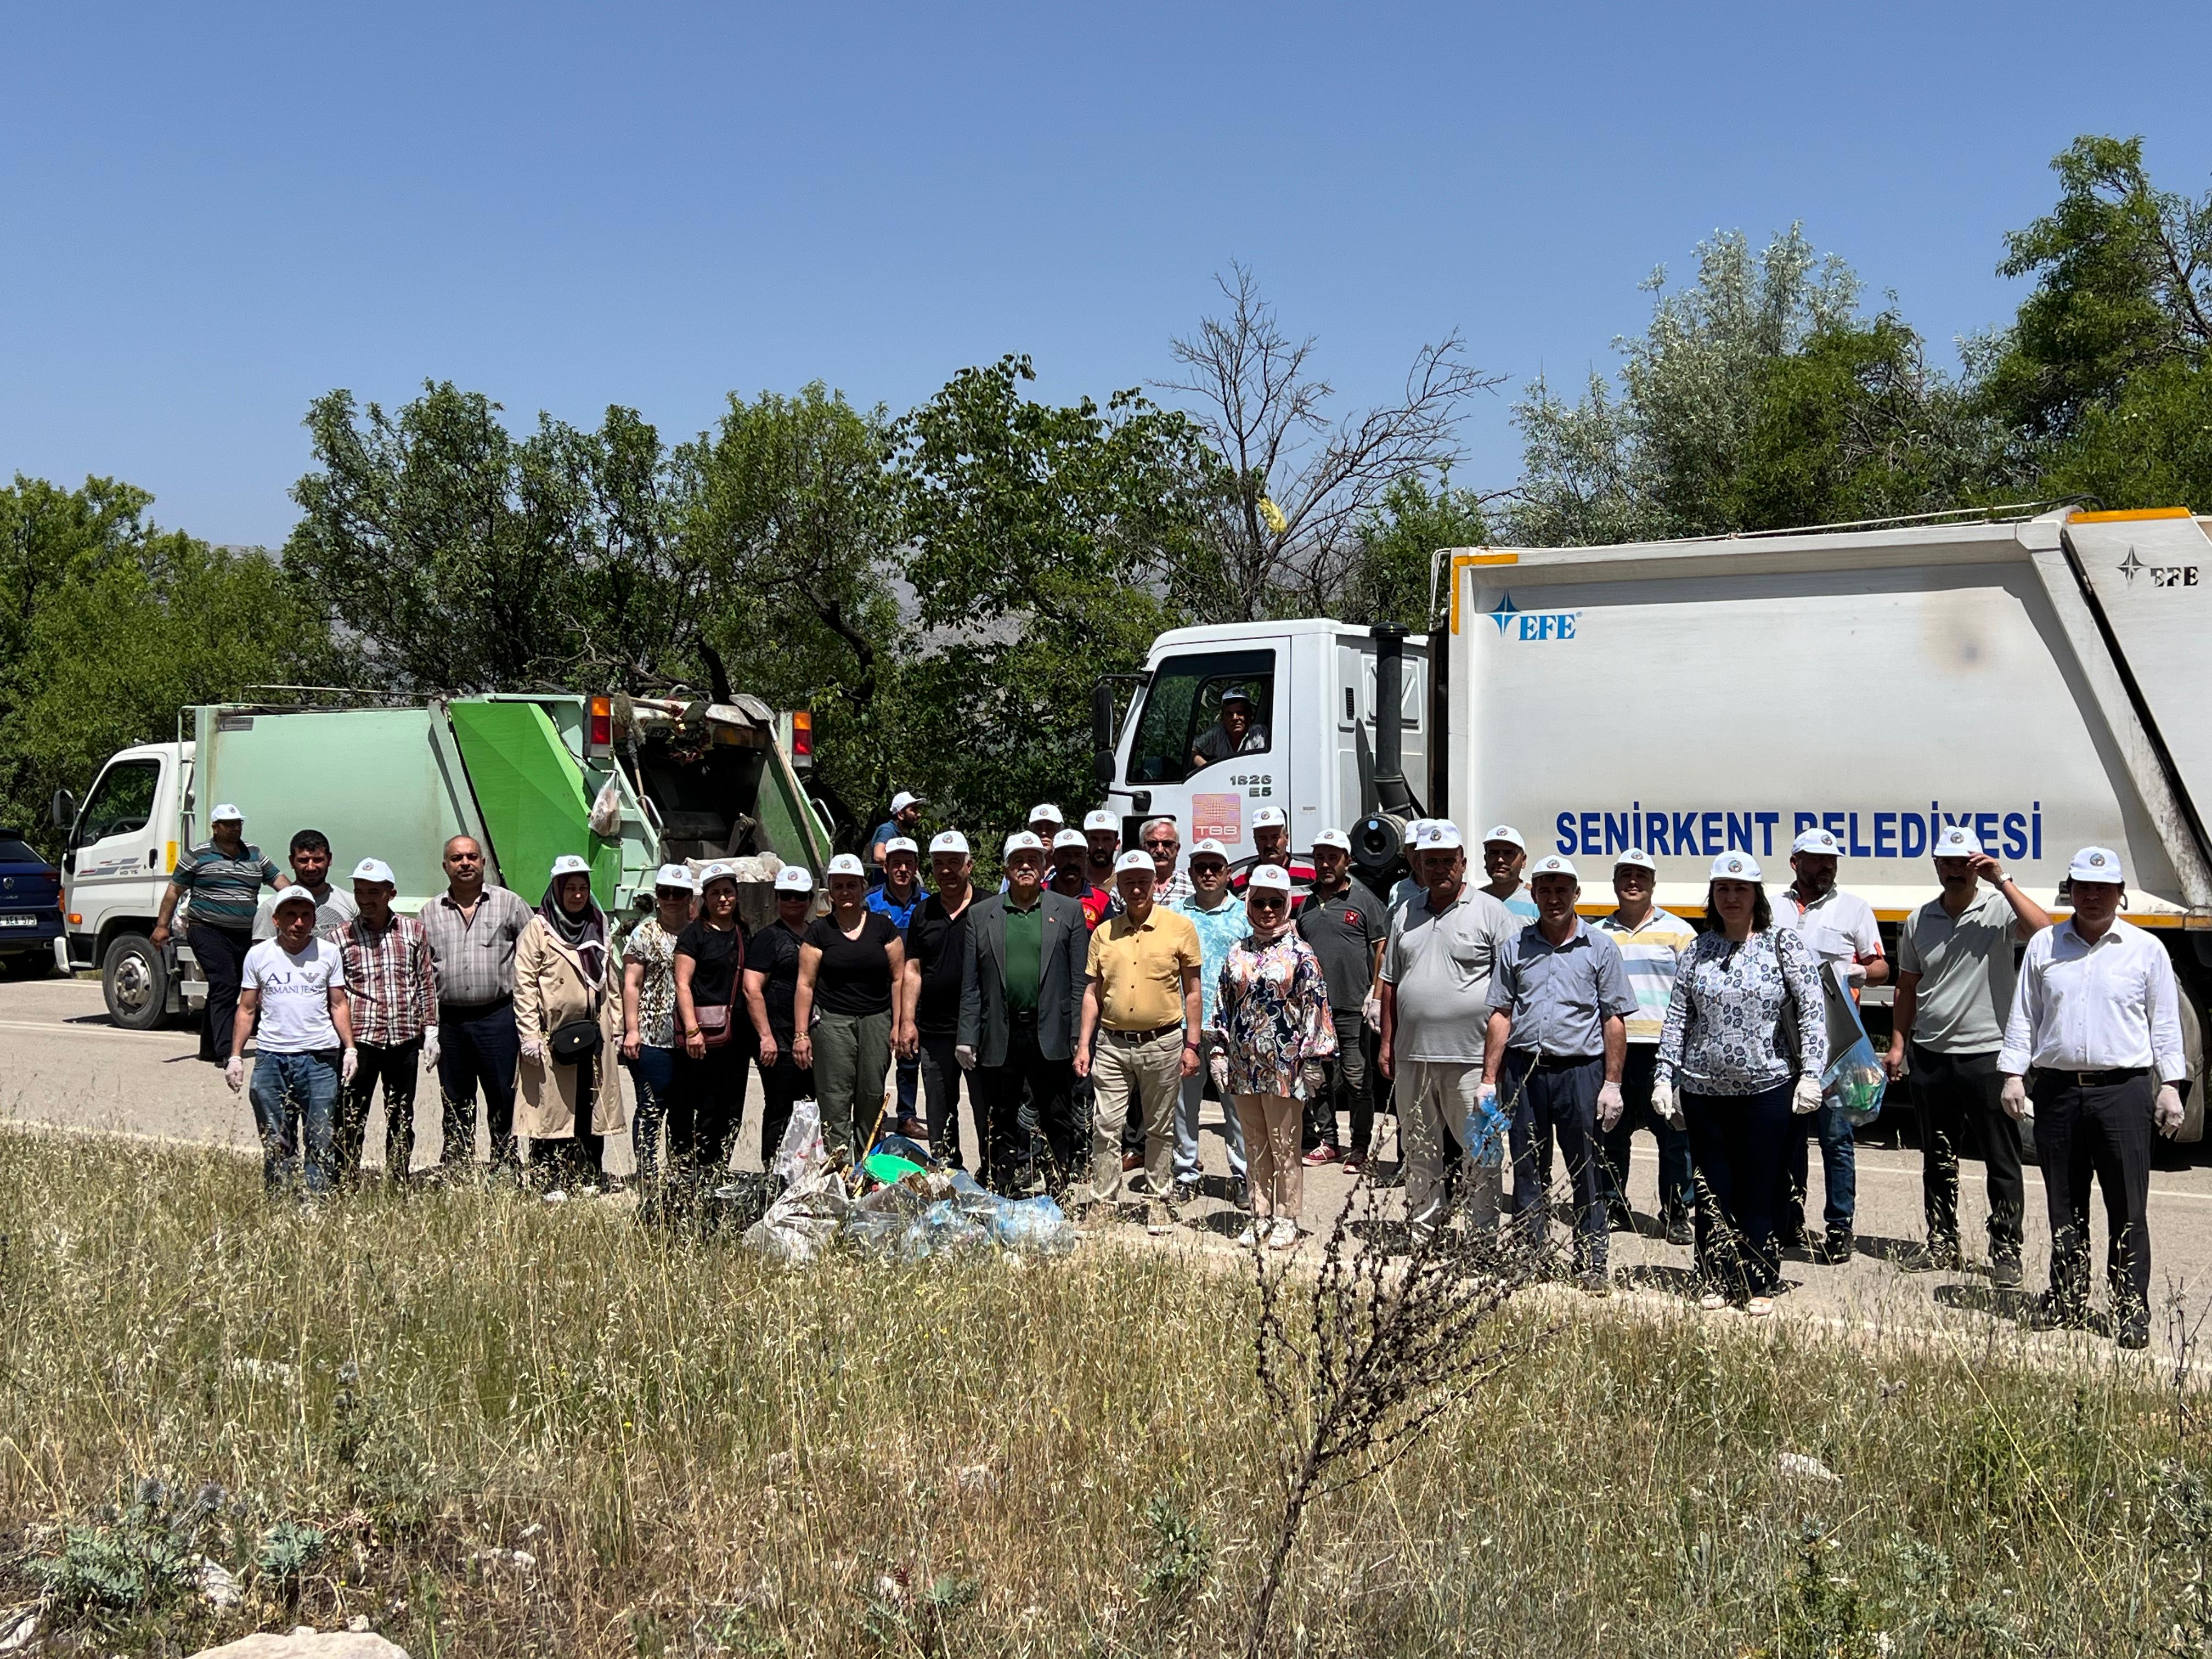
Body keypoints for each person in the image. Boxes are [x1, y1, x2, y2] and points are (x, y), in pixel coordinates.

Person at [2000, 845, 2187, 1350]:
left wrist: (2171, 1085)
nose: (2093, 896)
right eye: (2083, 887)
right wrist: (2014, 1073)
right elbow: (2025, 1015)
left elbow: (2165, 1024)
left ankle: (2129, 1307)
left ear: (2120, 893)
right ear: (2071, 891)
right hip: (2058, 1092)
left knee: (2128, 1206)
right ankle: (2066, 1297)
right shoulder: (2045, 946)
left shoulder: (2146, 949)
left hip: (2122, 1093)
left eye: (2103, 888)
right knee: (2065, 1201)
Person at [1653, 852, 1826, 1317]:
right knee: (1712, 1184)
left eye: (1741, 890)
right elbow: (1677, 1018)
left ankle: (1759, 1278)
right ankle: (1713, 1274)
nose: (1731, 898)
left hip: (1767, 1088)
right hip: (1705, 1090)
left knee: (1761, 1185)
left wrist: (1812, 1072)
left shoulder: (1781, 945)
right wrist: (1665, 1075)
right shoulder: (1697, 949)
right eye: (1723, 890)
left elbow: (1812, 1011)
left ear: (1757, 896)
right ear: (1712, 896)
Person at [1884, 826, 2050, 1283]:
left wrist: (2002, 878)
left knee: (2001, 1157)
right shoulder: (1920, 919)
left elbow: (2045, 933)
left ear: (1975, 867)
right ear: (1936, 865)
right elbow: (1907, 986)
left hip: (1988, 1055)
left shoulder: (1998, 909)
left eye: (1963, 864)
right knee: (1938, 1157)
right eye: (1947, 863)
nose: (1954, 871)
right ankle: (1941, 1241)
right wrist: (1899, 1045)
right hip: (1932, 1054)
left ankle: (2006, 1251)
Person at [1481, 855, 1637, 1293]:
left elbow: (1613, 1018)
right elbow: (1501, 1013)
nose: (1553, 898)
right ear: (1533, 895)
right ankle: (1531, 1255)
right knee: (1529, 1166)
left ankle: (1591, 1260)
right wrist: (1489, 1080)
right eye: (1545, 890)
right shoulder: (1516, 947)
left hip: (1580, 1072)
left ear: (1577, 894)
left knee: (1586, 1167)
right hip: (1524, 1071)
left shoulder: (1600, 947)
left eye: (1562, 889)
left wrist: (1612, 1082)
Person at [1377, 821, 1521, 1240]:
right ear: (1418, 865)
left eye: (1447, 860)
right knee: (1420, 1151)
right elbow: (1391, 983)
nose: (1439, 868)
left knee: (1482, 1152)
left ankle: (1481, 1237)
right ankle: (1424, 1231)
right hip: (1414, 1057)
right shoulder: (1405, 912)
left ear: (1462, 862)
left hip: (1473, 1061)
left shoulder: (1492, 912)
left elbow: (1513, 990)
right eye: (1430, 861)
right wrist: (1387, 1043)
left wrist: (1500, 1058)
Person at [1773, 826, 1889, 1263]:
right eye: (1818, 860)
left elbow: (1880, 967)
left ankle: (1840, 1228)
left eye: (1832, 860)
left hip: (1836, 1044)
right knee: (1788, 1137)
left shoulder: (1854, 908)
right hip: (1783, 1041)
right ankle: (1789, 1219)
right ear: (1795, 863)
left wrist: (1851, 973)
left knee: (1836, 1139)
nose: (1826, 866)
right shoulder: (1773, 907)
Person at [1077, 850, 1204, 1229]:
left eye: (1142, 881)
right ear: (1120, 885)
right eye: (1128, 881)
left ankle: (1159, 1200)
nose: (1136, 888)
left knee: (1160, 1127)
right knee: (1105, 1125)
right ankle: (1102, 1204)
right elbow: (1091, 993)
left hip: (1162, 1042)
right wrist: (1084, 1044)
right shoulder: (1105, 932)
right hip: (1112, 1043)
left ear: (1154, 884)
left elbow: (1193, 992)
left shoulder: (1179, 928)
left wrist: (1192, 1045)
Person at [958, 832, 1088, 1193]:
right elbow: (972, 985)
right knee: (1000, 1115)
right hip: (1001, 1033)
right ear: (1006, 869)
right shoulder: (981, 916)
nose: (1026, 866)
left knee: (1056, 1115)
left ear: (1044, 867)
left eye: (1033, 860)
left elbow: (1079, 982)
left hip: (1051, 1033)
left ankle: (1059, 1187)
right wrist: (967, 1038)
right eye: (1018, 861)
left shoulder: (1069, 911)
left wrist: (1080, 1038)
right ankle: (1001, 1186)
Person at [1216, 864, 1337, 1249]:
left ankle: (1287, 1216)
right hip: (1244, 1065)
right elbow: (1223, 1003)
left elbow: (1316, 1005)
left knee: (1285, 1144)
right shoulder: (1238, 952)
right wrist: (1219, 1049)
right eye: (1260, 902)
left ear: (1286, 905)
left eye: (1275, 902)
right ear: (1249, 904)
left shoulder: (1302, 954)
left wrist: (1315, 1059)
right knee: (1253, 1142)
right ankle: (1260, 1213)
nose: (1267, 910)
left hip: (1286, 1067)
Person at [1594, 848, 1699, 1244]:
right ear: (1616, 882)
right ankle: (1611, 1204)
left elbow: (1693, 993)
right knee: (1611, 1132)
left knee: (1673, 1135)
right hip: (1614, 1049)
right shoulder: (1597, 933)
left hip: (1663, 1050)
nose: (1633, 882)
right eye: (1626, 875)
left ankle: (1675, 1212)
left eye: (1641, 876)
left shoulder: (1680, 932)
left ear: (1653, 884)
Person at [227, 884, 354, 1195]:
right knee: (276, 1138)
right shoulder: (259, 955)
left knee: (320, 1137)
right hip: (272, 1058)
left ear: (314, 920)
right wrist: (235, 1057)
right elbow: (246, 1008)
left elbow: (338, 1003)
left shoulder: (328, 953)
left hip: (319, 1059)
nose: (298, 923)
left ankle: (315, 1200)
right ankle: (280, 1197)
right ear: (277, 920)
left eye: (305, 916)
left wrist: (349, 1048)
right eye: (291, 915)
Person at [419, 834, 533, 1175]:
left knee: (502, 1094)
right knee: (455, 1097)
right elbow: (423, 971)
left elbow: (534, 953)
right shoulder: (430, 912)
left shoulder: (509, 904)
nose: (465, 863)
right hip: (450, 1020)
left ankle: (506, 1165)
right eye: (457, 859)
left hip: (497, 1016)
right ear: (445, 866)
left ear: (483, 862)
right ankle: (457, 1164)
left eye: (472, 857)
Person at [514, 855, 624, 1193]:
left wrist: (616, 1027)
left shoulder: (598, 923)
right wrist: (530, 1034)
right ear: (557, 891)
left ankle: (589, 1174)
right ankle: (550, 1178)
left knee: (590, 1105)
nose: (577, 895)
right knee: (552, 1110)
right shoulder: (539, 928)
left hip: (594, 1032)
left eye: (583, 888)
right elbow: (525, 983)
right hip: (552, 1033)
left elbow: (611, 981)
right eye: (570, 888)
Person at [152, 803, 286, 1065]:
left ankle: (209, 1048)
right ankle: (227, 1051)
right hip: (207, 929)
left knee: (230, 986)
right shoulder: (198, 855)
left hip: (243, 932)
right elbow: (174, 891)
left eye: (238, 824)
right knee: (225, 982)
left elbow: (280, 882)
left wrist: (299, 901)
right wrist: (161, 926)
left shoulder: (255, 854)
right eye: (228, 824)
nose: (235, 828)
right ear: (216, 827)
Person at [794, 853, 906, 1163]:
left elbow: (899, 978)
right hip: (832, 1023)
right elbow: (805, 984)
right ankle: (839, 1168)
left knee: (871, 1095)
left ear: (863, 888)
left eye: (852, 886)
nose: (846, 892)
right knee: (834, 1098)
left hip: (877, 1020)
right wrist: (801, 1034)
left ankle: (866, 1165)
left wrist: (899, 1025)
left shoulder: (883, 928)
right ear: (830, 891)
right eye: (839, 886)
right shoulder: (819, 932)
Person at [334, 857, 438, 1183]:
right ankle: (345, 1179)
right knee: (350, 1115)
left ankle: (397, 1179)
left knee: (401, 1116)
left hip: (403, 1041)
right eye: (359, 891)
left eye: (373, 892)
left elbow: (425, 983)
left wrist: (431, 1029)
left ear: (390, 894)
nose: (365, 899)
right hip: (360, 1040)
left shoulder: (413, 932)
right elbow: (334, 994)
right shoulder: (340, 937)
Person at [1295, 828, 1387, 1173]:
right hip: (1315, 1010)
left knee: (1357, 1078)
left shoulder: (1363, 899)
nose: (1325, 863)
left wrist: (1374, 992)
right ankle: (1330, 1142)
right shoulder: (1305, 903)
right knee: (1318, 1078)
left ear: (1347, 861)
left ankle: (1360, 1146)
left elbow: (1382, 945)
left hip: (1351, 1007)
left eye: (1333, 857)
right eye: (1320, 856)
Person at [1169, 838, 1251, 1204]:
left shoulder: (1244, 915)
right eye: (1200, 867)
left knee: (1236, 1105)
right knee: (1184, 1105)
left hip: (1230, 1026)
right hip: (1184, 1024)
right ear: (1190, 873)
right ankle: (1185, 1173)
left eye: (1215, 867)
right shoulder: (1173, 913)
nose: (1207, 873)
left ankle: (1244, 1176)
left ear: (1227, 874)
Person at [902, 831, 979, 1170]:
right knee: (938, 1109)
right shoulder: (923, 913)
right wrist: (907, 1022)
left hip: (980, 1031)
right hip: (933, 1031)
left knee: (985, 1106)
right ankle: (947, 1171)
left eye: (953, 863)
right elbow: (913, 970)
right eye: (939, 865)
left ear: (969, 865)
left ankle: (993, 1173)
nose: (946, 871)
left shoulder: (988, 908)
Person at [620, 865, 697, 1194]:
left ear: (689, 897)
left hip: (689, 1037)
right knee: (651, 1107)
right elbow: (632, 984)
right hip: (652, 1034)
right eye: (664, 892)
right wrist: (631, 1029)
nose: (671, 899)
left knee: (684, 1109)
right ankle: (648, 1173)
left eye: (678, 893)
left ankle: (680, 1172)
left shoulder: (698, 933)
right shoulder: (643, 934)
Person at [672, 862, 750, 1184]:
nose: (723, 899)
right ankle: (696, 1172)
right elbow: (682, 984)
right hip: (702, 1036)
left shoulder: (743, 931)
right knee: (703, 1106)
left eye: (728, 892)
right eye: (715, 893)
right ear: (705, 898)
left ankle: (720, 1170)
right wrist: (692, 1030)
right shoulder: (695, 934)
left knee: (731, 1107)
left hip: (736, 1036)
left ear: (736, 895)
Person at [743, 864, 818, 1168]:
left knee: (811, 1107)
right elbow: (752, 989)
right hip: (778, 1038)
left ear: (810, 899)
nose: (794, 902)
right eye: (787, 896)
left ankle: (803, 1167)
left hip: (811, 1037)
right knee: (779, 1105)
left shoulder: (816, 935)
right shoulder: (767, 938)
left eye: (800, 896)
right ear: (777, 899)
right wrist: (765, 1037)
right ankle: (773, 1169)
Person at [868, 837, 929, 1138]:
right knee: (876, 1058)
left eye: (908, 864)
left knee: (909, 1055)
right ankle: (874, 1117)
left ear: (916, 867)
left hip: (915, 991)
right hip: (879, 991)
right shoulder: (870, 902)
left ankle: (906, 1116)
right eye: (896, 864)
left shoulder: (929, 903)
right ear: (886, 866)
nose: (902, 870)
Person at [251, 829, 357, 941]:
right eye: (304, 860)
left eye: (318, 860)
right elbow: (261, 955)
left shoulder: (351, 904)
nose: (311, 867)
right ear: (292, 861)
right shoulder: (272, 907)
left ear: (330, 859)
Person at [1049, 828, 1113, 930]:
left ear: (1086, 860)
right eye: (1065, 856)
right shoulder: (1039, 895)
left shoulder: (1101, 900)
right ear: (1053, 858)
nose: (1072, 862)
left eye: (1078, 856)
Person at [1190, 686, 1267, 769]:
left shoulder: (1258, 733)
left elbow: (1260, 765)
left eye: (1240, 713)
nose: (1235, 718)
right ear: (1223, 718)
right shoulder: (1218, 734)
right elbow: (1191, 750)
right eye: (1230, 714)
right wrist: (1207, 768)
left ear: (1249, 716)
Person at [1478, 825, 1538, 924]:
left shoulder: (1536, 901)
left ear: (1523, 861)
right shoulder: (1474, 901)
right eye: (1494, 853)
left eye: (1509, 854)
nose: (1500, 860)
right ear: (1486, 859)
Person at [870, 791, 926, 885]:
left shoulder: (899, 833)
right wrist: (907, 866)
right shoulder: (887, 830)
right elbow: (879, 856)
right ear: (900, 815)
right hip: (885, 894)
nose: (919, 815)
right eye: (914, 810)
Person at [1139, 816, 1195, 906]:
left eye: (1167, 844)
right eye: (1153, 844)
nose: (1160, 850)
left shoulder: (1193, 885)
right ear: (1142, 848)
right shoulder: (1126, 886)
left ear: (1177, 849)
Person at [1083, 810, 1122, 890]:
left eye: (1106, 840)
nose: (1100, 846)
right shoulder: (1074, 881)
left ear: (1117, 844)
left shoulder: (1123, 881)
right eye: (1094, 839)